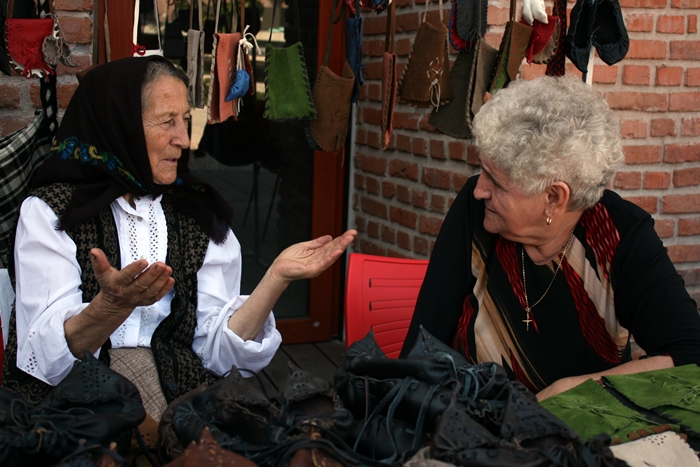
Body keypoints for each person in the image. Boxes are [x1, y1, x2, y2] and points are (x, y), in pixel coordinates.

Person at [3, 56, 356, 420]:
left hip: (181, 398)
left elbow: (217, 355)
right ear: (120, 125)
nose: (185, 139)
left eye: (186, 119)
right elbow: (45, 360)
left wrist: (275, 278)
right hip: (75, 409)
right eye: (167, 121)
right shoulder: (51, 212)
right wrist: (110, 308)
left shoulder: (196, 211)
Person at [400, 76, 700, 401]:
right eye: (482, 170)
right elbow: (425, 341)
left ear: (554, 198)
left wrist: (568, 392)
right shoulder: (476, 211)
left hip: (577, 426)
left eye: (496, 182)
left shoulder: (620, 236)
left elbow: (691, 356)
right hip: (468, 415)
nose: (480, 189)